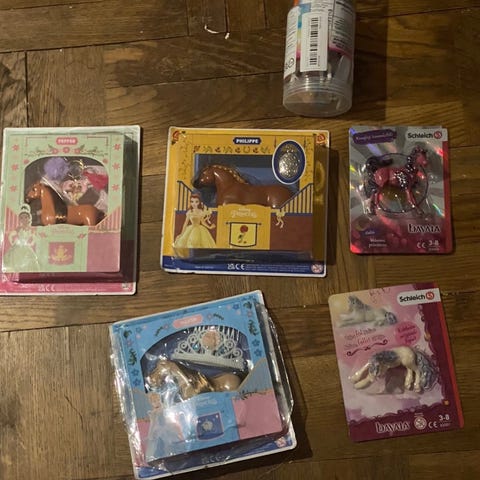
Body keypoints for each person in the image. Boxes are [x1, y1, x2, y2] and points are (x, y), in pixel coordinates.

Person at [3, 204, 40, 272]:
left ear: (29, 218)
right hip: (18, 246)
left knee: (29, 260)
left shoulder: (30, 229)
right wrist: (13, 242)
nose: (24, 219)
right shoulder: (19, 228)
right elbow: (11, 235)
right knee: (14, 259)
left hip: (26, 247)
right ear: (20, 219)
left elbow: (34, 237)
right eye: (22, 218)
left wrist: (31, 243)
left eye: (26, 217)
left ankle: (25, 272)